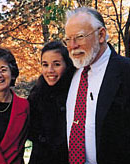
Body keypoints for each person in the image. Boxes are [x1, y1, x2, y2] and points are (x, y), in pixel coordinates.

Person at [63, 7, 130, 164]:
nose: (72, 46)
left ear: (100, 35)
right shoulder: (68, 73)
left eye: (79, 37)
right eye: (68, 39)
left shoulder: (126, 72)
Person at [27, 41, 75, 164]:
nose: (50, 70)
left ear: (67, 64)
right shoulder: (37, 93)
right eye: (45, 65)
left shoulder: (76, 91)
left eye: (56, 64)